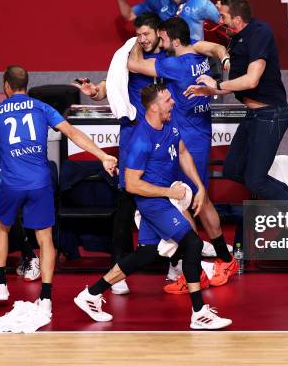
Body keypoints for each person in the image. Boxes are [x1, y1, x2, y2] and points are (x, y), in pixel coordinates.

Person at [76, 14, 231, 293]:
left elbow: (201, 48)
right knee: (128, 202)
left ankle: (183, 263)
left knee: (178, 197)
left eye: (147, 34)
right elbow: (111, 82)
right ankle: (120, 269)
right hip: (136, 136)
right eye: (139, 34)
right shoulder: (137, 57)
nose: (143, 39)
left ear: (161, 35)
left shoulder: (168, 57)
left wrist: (217, 51)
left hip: (168, 137)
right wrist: (96, 91)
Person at [73, 83, 232, 330]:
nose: (173, 103)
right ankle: (199, 312)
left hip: (164, 197)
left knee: (148, 253)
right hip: (152, 201)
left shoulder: (170, 124)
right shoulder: (141, 140)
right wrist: (170, 192)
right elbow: (132, 185)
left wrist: (200, 187)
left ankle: (91, 294)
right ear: (154, 106)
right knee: (192, 243)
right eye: (168, 100)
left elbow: (183, 153)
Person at [0, 66, 117, 311]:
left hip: (11, 183)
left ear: (6, 86)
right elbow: (73, 133)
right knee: (45, 239)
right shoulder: (42, 107)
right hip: (40, 182)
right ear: (26, 84)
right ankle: (45, 298)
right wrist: (102, 156)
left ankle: (1, 284)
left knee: (2, 227)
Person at [127, 17, 238, 290]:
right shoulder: (197, 55)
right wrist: (222, 57)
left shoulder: (174, 63)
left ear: (175, 40)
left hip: (188, 140)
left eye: (162, 39)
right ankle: (213, 263)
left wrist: (133, 42)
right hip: (196, 134)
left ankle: (204, 268)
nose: (160, 43)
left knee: (191, 203)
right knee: (198, 200)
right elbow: (214, 48)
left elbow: (133, 64)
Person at [184, 0, 288, 209]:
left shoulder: (260, 33)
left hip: (270, 114)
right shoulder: (236, 37)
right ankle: (286, 194)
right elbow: (229, 63)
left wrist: (217, 86)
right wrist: (210, 87)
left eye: (223, 16)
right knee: (233, 169)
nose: (219, 21)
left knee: (256, 180)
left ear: (237, 19)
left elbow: (251, 80)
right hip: (253, 115)